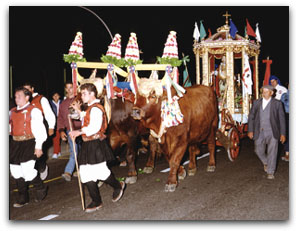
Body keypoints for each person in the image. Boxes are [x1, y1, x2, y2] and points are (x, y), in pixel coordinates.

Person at [69, 83, 125, 213]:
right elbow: (85, 117)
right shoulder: (89, 108)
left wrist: (79, 132)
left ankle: (118, 186)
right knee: (85, 172)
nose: (81, 96)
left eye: (84, 93)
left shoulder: (96, 108)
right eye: (82, 93)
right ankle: (96, 200)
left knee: (100, 171)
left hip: (95, 143)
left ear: (92, 94)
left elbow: (94, 126)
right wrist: (78, 111)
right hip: (88, 143)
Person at [9, 87, 48, 207]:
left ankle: (41, 187)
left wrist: (39, 146)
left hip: (29, 143)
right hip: (15, 144)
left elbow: (40, 130)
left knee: (28, 171)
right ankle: (23, 197)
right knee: (15, 171)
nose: (17, 99)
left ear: (27, 97)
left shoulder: (34, 111)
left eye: (19, 96)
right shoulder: (12, 112)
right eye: (15, 97)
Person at [248, 85, 286, 179]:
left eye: (266, 91)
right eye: (263, 91)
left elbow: (282, 119)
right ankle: (266, 162)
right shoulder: (256, 103)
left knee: (272, 151)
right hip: (259, 131)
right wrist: (250, 130)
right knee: (258, 150)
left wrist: (283, 133)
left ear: (271, 93)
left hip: (273, 131)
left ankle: (270, 172)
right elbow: (251, 117)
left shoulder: (277, 103)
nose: (264, 93)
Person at [23, 83, 56, 181]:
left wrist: (51, 127)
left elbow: (49, 113)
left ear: (32, 89)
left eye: (27, 89)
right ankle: (31, 171)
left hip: (40, 129)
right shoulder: (24, 101)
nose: (26, 91)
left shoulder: (41, 99)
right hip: (28, 131)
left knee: (39, 150)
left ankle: (42, 167)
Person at [57, 81, 81, 181]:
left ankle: (81, 170)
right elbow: (60, 118)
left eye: (71, 87)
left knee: (84, 151)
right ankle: (68, 172)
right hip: (70, 131)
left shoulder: (79, 100)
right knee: (74, 151)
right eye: (67, 88)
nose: (69, 90)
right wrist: (61, 131)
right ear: (65, 89)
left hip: (81, 130)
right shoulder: (63, 104)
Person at [49, 92, 63, 159]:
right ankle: (55, 152)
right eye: (54, 96)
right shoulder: (50, 103)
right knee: (56, 137)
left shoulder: (62, 102)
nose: (55, 97)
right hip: (54, 122)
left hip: (62, 121)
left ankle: (58, 151)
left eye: (57, 95)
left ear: (59, 96)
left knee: (59, 137)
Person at [281, 84, 289, 161]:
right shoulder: (284, 95)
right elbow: (282, 104)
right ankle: (287, 154)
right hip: (286, 116)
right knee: (286, 135)